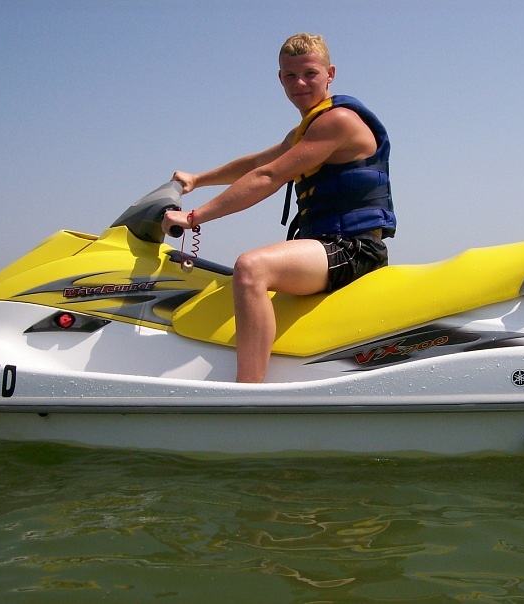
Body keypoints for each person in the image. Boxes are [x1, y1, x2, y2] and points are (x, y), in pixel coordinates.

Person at [162, 33, 396, 383]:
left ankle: (247, 394)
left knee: (251, 268)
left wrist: (194, 217)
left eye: (310, 73)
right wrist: (197, 179)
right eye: (291, 75)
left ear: (330, 74)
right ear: (280, 78)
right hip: (328, 245)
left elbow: (269, 176)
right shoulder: (306, 129)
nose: (299, 83)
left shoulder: (337, 121)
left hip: (354, 249)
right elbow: (258, 162)